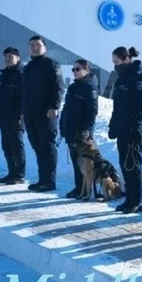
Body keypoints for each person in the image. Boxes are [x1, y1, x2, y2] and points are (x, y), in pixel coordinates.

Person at [108, 46, 142, 214]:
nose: (115, 65)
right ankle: (129, 199)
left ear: (126, 59)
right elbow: (118, 105)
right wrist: (114, 126)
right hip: (122, 128)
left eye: (117, 62)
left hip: (134, 129)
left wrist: (136, 129)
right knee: (125, 165)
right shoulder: (122, 77)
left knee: (133, 166)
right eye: (113, 62)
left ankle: (137, 201)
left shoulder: (138, 75)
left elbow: (141, 106)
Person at [21, 35, 65, 192]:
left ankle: (49, 181)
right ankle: (42, 179)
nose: (34, 47)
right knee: (37, 145)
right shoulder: (28, 67)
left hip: (46, 113)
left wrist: (54, 106)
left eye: (38, 45)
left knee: (47, 146)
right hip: (30, 113)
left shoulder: (51, 64)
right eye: (31, 44)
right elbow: (25, 92)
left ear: (44, 48)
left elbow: (59, 87)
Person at [59, 59, 98, 198]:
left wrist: (87, 130)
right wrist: (62, 125)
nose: (75, 72)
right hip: (71, 130)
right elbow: (66, 109)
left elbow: (92, 111)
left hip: (81, 132)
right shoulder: (73, 87)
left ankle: (86, 190)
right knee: (76, 162)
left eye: (78, 69)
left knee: (84, 162)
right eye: (73, 69)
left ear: (87, 70)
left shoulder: (89, 87)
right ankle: (79, 188)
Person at [0, 46, 25, 184]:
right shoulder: (4, 75)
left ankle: (19, 174)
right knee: (6, 146)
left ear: (17, 58)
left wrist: (18, 115)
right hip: (3, 116)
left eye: (10, 57)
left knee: (16, 146)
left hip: (15, 117)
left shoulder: (20, 75)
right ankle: (11, 172)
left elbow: (23, 98)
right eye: (6, 57)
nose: (7, 59)